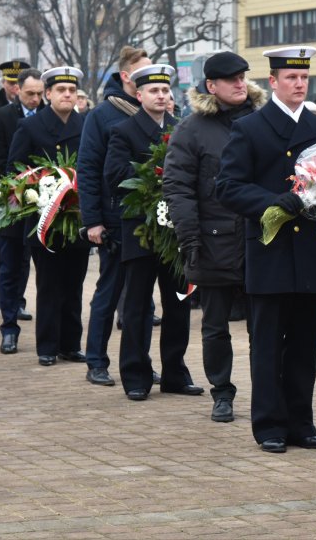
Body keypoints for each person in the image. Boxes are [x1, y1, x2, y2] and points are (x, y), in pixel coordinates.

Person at [216, 46, 316, 453]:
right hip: (271, 251)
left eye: (304, 78)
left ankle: (301, 422)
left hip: (312, 250)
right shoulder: (250, 127)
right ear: (273, 82)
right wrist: (275, 202)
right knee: (269, 343)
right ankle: (269, 424)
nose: (299, 84)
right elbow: (228, 187)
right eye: (291, 78)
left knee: (306, 343)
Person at [163, 51, 266, 421]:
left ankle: (267, 395)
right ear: (211, 86)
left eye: (243, 77)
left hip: (260, 239)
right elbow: (177, 187)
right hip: (213, 240)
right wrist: (191, 240)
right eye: (231, 79)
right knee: (215, 326)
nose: (241, 83)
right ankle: (221, 392)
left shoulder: (262, 120)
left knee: (264, 328)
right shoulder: (192, 128)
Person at [105, 64, 202, 401]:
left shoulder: (182, 128)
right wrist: (155, 179)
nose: (161, 96)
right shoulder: (124, 131)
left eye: (165, 90)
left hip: (176, 230)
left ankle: (175, 372)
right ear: (140, 94)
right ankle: (136, 374)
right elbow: (115, 175)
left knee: (178, 302)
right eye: (154, 91)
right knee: (137, 305)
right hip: (141, 231)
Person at [79, 46, 152, 387]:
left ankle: (140, 361)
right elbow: (89, 170)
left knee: (142, 300)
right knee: (109, 292)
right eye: (143, 75)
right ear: (126, 77)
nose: (151, 83)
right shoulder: (103, 115)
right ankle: (96, 360)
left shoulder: (155, 111)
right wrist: (92, 220)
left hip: (149, 221)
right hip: (113, 219)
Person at [7, 65, 89, 366]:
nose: (67, 95)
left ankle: (70, 344)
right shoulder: (31, 127)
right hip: (46, 220)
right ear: (49, 94)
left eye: (72, 91)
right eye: (61, 91)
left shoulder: (86, 124)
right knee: (50, 284)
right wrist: (36, 190)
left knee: (75, 283)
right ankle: (47, 346)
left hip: (77, 216)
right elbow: (14, 170)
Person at [0, 68, 43, 354]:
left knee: (40, 270)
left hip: (48, 204)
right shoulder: (1, 118)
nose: (35, 99)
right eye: (29, 94)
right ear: (17, 91)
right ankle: (9, 328)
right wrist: (20, 191)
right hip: (14, 202)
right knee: (10, 266)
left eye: (39, 93)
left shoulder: (50, 116)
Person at [0, 60, 30, 318]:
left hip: (31, 187)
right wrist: (8, 187)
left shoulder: (35, 108)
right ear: (5, 84)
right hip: (3, 187)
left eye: (17, 83)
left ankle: (17, 299)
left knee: (24, 251)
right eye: (11, 83)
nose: (14, 88)